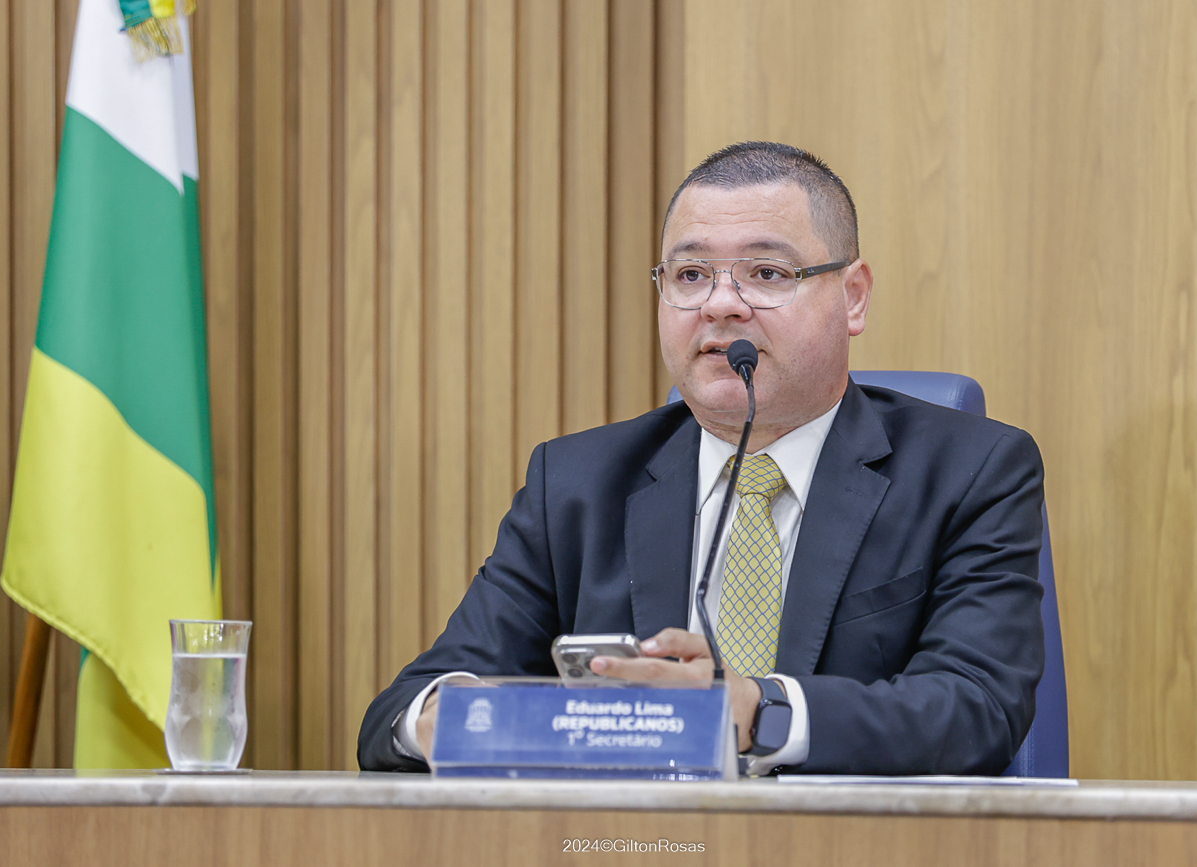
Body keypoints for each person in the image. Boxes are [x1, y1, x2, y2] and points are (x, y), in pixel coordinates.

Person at [357, 141, 1045, 775]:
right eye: (690, 274)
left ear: (853, 297)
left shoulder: (971, 472)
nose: (720, 305)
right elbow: (400, 713)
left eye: (766, 273)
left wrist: (755, 711)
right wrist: (452, 718)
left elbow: (977, 708)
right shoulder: (575, 484)